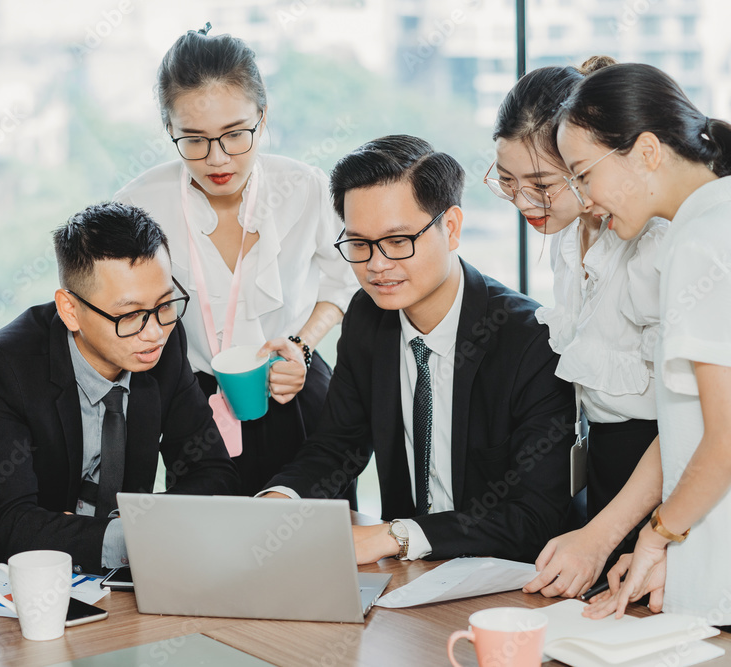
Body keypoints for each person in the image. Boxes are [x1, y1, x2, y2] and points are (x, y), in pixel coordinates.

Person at [263, 135, 575, 564]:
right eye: (358, 244)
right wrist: (279, 500)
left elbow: (534, 517)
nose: (375, 265)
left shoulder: (530, 340)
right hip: (407, 578)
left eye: (397, 241)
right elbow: (337, 445)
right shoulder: (367, 318)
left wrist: (394, 536)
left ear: (451, 228)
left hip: (504, 581)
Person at [114, 25, 359, 497]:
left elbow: (342, 283)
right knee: (209, 555)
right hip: (193, 404)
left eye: (235, 134)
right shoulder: (141, 202)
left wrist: (301, 345)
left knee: (312, 549)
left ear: (262, 118)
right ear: (169, 129)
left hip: (293, 385)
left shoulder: (304, 187)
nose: (217, 158)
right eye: (194, 140)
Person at [0, 202, 239, 574]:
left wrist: (129, 529)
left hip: (122, 576)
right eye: (130, 315)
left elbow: (214, 475)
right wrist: (133, 535)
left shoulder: (166, 342)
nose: (154, 332)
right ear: (70, 310)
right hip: (8, 584)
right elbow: (12, 526)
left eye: (166, 304)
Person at [552, 63, 731, 625]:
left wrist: (660, 535)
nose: (583, 198)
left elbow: (725, 436)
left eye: (583, 173)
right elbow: (691, 424)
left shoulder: (700, 242)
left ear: (647, 151)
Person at [485, 58, 670, 599]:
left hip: (667, 478)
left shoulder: (652, 241)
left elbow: (693, 421)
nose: (524, 202)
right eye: (507, 182)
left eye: (541, 183)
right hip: (609, 474)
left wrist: (603, 534)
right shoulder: (568, 236)